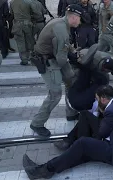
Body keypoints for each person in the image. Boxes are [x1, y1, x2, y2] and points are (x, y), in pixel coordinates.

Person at [22, 85, 113, 179]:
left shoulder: (111, 111)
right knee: (85, 118)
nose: (97, 102)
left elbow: (102, 133)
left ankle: (45, 170)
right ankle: (50, 166)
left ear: (103, 99)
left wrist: (100, 113)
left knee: (83, 143)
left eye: (97, 100)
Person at [29, 5, 83, 137]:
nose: (80, 22)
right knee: (55, 93)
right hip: (48, 61)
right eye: (79, 19)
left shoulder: (63, 23)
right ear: (74, 18)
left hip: (54, 56)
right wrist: (75, 61)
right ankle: (37, 123)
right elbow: (60, 59)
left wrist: (73, 52)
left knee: (71, 79)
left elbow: (65, 45)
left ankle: (71, 113)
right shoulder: (61, 29)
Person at [10, 0, 38, 65]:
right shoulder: (28, 2)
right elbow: (34, 12)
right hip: (27, 24)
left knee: (20, 42)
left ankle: (24, 59)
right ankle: (31, 57)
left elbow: (12, 13)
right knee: (29, 41)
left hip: (17, 24)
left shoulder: (12, 2)